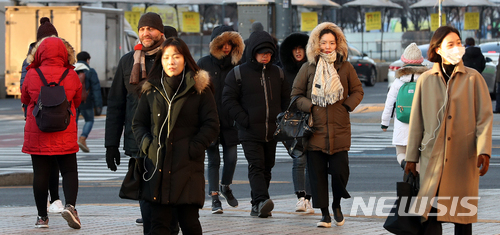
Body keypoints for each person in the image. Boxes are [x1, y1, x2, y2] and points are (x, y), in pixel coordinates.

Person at [405, 26, 492, 235]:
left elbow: (485, 118)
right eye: (450, 44)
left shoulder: (474, 79)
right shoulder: (426, 80)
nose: (457, 48)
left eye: (459, 43)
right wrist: (411, 158)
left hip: (463, 158)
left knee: (462, 218)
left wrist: (484, 151)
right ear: (438, 50)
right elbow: (416, 121)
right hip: (431, 160)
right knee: (431, 216)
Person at [132, 37, 219, 234]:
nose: (171, 62)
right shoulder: (151, 89)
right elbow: (138, 124)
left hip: (187, 166)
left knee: (189, 223)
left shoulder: (199, 88)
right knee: (159, 225)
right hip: (158, 167)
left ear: (185, 59)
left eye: (176, 57)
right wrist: (148, 145)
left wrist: (194, 147)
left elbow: (211, 124)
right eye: (166, 58)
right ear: (160, 61)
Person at [290, 22, 364, 228]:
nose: (328, 47)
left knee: (341, 173)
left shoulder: (346, 67)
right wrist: (311, 106)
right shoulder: (308, 67)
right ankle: (324, 214)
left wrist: (346, 107)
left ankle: (337, 205)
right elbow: (295, 95)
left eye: (332, 42)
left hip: (340, 130)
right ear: (316, 44)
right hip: (315, 131)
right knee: (317, 176)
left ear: (338, 44)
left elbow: (358, 91)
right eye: (323, 43)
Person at [105, 12, 165, 233]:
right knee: (146, 193)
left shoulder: (170, 57)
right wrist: (111, 144)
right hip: (137, 139)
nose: (145, 33)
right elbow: (116, 105)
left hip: (166, 136)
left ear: (161, 32)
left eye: (150, 28)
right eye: (142, 29)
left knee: (165, 189)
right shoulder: (128, 61)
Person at [222, 30, 290, 218]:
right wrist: (244, 120)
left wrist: (283, 120)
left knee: (267, 166)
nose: (265, 56)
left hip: (272, 131)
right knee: (257, 165)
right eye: (262, 52)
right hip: (249, 131)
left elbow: (286, 99)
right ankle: (261, 200)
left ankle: (256, 205)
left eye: (268, 53)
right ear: (253, 52)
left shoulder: (278, 73)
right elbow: (228, 100)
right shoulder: (238, 73)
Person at [22, 35, 82, 229]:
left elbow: (25, 97)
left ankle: (42, 217)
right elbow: (78, 99)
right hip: (64, 129)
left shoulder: (32, 74)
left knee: (40, 173)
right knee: (69, 169)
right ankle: (70, 207)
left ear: (39, 52)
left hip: (38, 129)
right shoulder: (71, 74)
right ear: (64, 53)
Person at [197, 25, 244, 214]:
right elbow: (197, 93)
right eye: (223, 43)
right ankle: (215, 197)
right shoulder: (204, 63)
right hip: (210, 120)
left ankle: (226, 186)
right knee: (213, 159)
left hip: (231, 121)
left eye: (230, 43)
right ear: (215, 44)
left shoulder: (237, 66)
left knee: (231, 158)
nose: (227, 47)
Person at [20, 17, 64, 215]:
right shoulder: (29, 61)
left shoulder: (62, 57)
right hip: (38, 116)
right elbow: (25, 90)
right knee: (42, 163)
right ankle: (45, 204)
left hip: (50, 114)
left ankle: (53, 200)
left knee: (52, 161)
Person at [279, 32, 314, 214]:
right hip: (292, 123)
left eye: (301, 48)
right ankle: (301, 198)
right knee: (299, 159)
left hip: (312, 118)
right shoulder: (283, 72)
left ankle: (309, 198)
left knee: (311, 161)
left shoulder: (313, 68)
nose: (298, 52)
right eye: (294, 49)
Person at [381, 43, 428, 169]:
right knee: (419, 155)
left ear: (404, 61)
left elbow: (389, 103)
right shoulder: (426, 80)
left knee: (401, 153)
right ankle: (417, 176)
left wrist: (384, 123)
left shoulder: (398, 82)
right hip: (421, 124)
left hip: (402, 123)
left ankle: (405, 164)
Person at [75, 51, 102, 153]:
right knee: (89, 120)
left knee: (73, 122)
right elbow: (96, 89)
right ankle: (82, 138)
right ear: (87, 60)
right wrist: (98, 105)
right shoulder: (90, 71)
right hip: (86, 102)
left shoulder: (71, 70)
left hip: (73, 102)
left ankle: (72, 140)